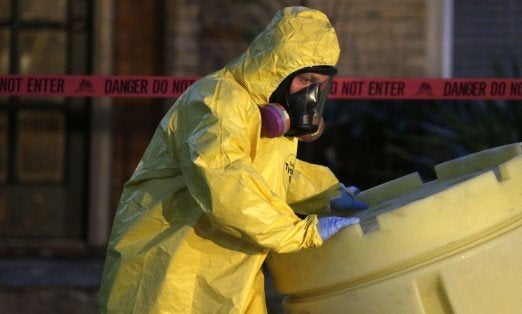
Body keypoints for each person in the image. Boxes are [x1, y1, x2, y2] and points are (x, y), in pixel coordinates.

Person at [99, 6, 368, 313]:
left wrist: (327, 194)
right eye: (305, 79)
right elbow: (226, 184)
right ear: (276, 68)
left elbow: (272, 175)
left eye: (319, 85)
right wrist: (300, 233)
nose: (311, 95)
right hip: (170, 278)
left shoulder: (261, 111)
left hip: (226, 280)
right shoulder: (217, 101)